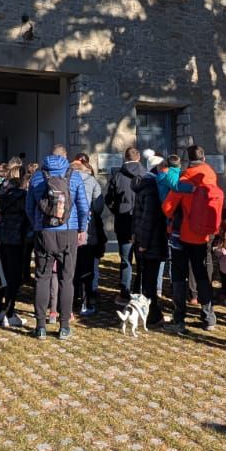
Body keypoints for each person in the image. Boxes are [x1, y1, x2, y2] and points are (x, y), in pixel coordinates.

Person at [26, 146, 90, 340]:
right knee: (66, 279)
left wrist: (37, 225)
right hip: (68, 232)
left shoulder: (37, 177)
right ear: (65, 158)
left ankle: (40, 326)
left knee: (42, 278)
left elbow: (29, 207)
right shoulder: (74, 176)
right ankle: (64, 327)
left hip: (43, 232)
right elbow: (83, 206)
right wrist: (83, 229)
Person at [163, 145, 222, 335]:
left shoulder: (185, 179)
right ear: (204, 158)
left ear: (188, 160)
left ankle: (179, 319)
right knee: (202, 274)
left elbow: (167, 207)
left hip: (183, 235)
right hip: (203, 235)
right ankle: (208, 316)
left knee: (179, 276)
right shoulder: (211, 177)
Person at [0, 164, 31, 328]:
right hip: (16, 238)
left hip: (0, 237)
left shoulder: (0, 194)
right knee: (14, 277)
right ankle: (10, 313)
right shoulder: (23, 196)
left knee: (0, 276)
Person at [130, 154, 169, 326]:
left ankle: (147, 313)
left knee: (146, 280)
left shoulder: (144, 184)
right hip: (150, 241)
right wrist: (144, 243)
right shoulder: (152, 188)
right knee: (149, 282)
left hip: (143, 240)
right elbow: (148, 218)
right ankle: (153, 315)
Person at [104, 149, 143, 297]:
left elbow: (109, 199)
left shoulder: (118, 176)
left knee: (126, 259)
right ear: (138, 157)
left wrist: (117, 210)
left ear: (125, 158)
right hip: (141, 223)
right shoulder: (146, 176)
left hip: (123, 222)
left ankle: (125, 290)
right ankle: (139, 289)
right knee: (141, 260)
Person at [72, 155, 106, 317]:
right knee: (87, 268)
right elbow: (99, 207)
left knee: (70, 267)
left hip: (69, 229)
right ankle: (86, 303)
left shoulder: (68, 180)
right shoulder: (93, 182)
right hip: (87, 230)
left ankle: (70, 301)